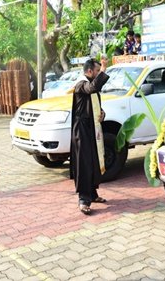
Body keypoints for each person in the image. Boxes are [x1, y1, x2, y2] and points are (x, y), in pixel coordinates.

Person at [70, 57, 109, 215]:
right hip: (82, 131)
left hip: (92, 129)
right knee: (84, 164)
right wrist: (104, 69)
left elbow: (95, 106)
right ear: (89, 71)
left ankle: (93, 194)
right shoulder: (81, 84)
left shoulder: (91, 85)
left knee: (93, 161)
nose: (99, 73)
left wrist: (102, 113)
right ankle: (83, 200)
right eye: (97, 71)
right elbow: (92, 88)